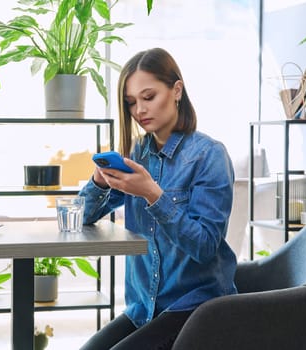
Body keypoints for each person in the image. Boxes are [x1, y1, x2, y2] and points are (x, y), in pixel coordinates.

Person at [78, 47, 237, 350]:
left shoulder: (209, 155)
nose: (139, 110)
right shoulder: (137, 155)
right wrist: (99, 181)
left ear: (177, 90)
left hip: (195, 308)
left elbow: (204, 246)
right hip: (143, 308)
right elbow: (83, 217)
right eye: (131, 103)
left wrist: (152, 194)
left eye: (148, 97)